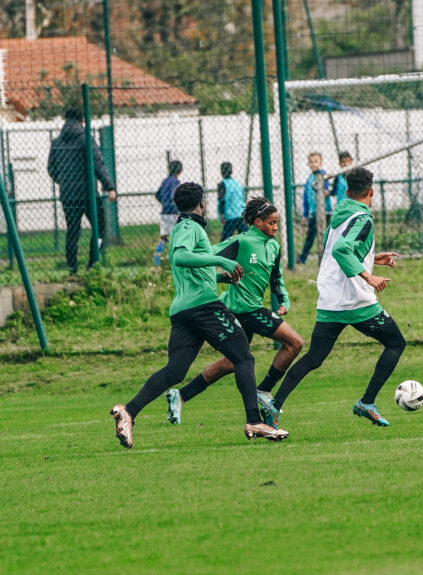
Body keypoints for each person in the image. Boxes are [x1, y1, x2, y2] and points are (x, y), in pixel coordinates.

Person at [109, 182, 287, 448]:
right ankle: (254, 420)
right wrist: (221, 260)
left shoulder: (183, 228)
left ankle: (129, 412)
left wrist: (218, 277)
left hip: (184, 309)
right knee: (243, 355)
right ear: (201, 203)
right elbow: (181, 258)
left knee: (175, 371)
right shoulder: (189, 227)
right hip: (203, 306)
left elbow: (190, 267)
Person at [267, 166, 405, 428]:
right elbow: (343, 249)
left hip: (331, 299)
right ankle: (367, 401)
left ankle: (274, 405)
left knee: (314, 358)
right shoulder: (363, 219)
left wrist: (372, 258)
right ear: (372, 191)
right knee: (396, 343)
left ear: (347, 191)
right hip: (356, 300)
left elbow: (338, 250)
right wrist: (369, 277)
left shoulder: (341, 213)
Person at [165, 196, 304, 427]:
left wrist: (284, 300)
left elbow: (276, 278)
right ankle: (264, 390)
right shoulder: (242, 242)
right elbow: (206, 256)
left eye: (277, 222)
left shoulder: (274, 247)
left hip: (251, 310)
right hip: (240, 310)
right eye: (271, 222)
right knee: (295, 343)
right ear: (258, 222)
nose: (276, 227)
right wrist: (215, 275)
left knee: (231, 364)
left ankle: (181, 395)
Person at [47, 107, 116, 274]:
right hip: (88, 194)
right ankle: (92, 264)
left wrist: (64, 181)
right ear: (82, 120)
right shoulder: (86, 139)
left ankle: (72, 267)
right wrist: (109, 186)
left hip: (68, 195)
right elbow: (97, 164)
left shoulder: (57, 142)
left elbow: (51, 169)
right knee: (100, 227)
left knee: (72, 230)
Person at [296, 151, 330, 264]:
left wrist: (325, 191)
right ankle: (302, 258)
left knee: (327, 237)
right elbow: (306, 198)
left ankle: (327, 259)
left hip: (325, 212)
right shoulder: (309, 179)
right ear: (308, 164)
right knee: (310, 236)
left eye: (316, 161)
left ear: (321, 163)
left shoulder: (323, 175)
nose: (313, 164)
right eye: (311, 162)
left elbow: (326, 188)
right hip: (313, 213)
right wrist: (305, 215)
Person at [153, 160, 182, 266]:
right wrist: (178, 209)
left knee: (163, 237)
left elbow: (157, 195)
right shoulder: (176, 182)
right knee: (178, 237)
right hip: (173, 213)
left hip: (164, 212)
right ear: (180, 170)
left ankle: (157, 260)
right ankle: (177, 259)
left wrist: (164, 203)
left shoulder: (165, 181)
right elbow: (173, 197)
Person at [217, 162, 248, 241]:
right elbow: (242, 198)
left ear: (221, 172)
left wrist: (222, 213)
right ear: (231, 171)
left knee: (225, 241)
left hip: (230, 215)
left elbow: (221, 200)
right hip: (240, 213)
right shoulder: (237, 183)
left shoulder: (222, 184)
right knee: (245, 238)